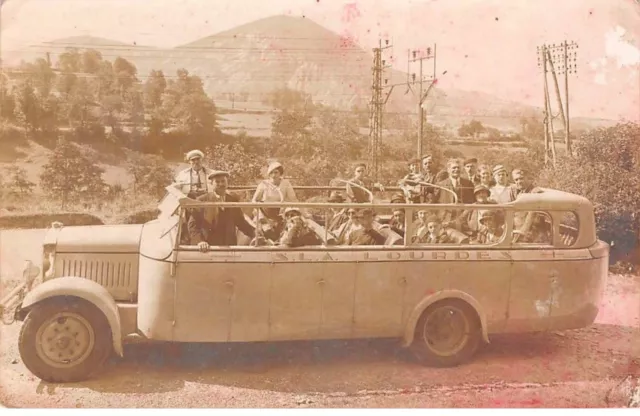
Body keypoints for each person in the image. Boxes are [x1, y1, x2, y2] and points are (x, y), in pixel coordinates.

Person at [188, 170, 256, 252]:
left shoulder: (232, 200)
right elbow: (193, 225)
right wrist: (200, 241)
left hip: (229, 248)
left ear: (227, 183)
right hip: (208, 250)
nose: (221, 184)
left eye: (223, 181)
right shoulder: (201, 200)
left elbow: (241, 222)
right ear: (211, 184)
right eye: (217, 182)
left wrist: (255, 234)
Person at [252, 161, 297, 239]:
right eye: (271, 173)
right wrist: (262, 216)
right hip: (265, 214)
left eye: (276, 172)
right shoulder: (263, 184)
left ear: (280, 173)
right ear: (269, 174)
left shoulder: (286, 183)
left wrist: (305, 213)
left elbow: (293, 199)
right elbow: (254, 201)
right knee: (261, 228)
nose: (274, 175)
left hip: (281, 214)